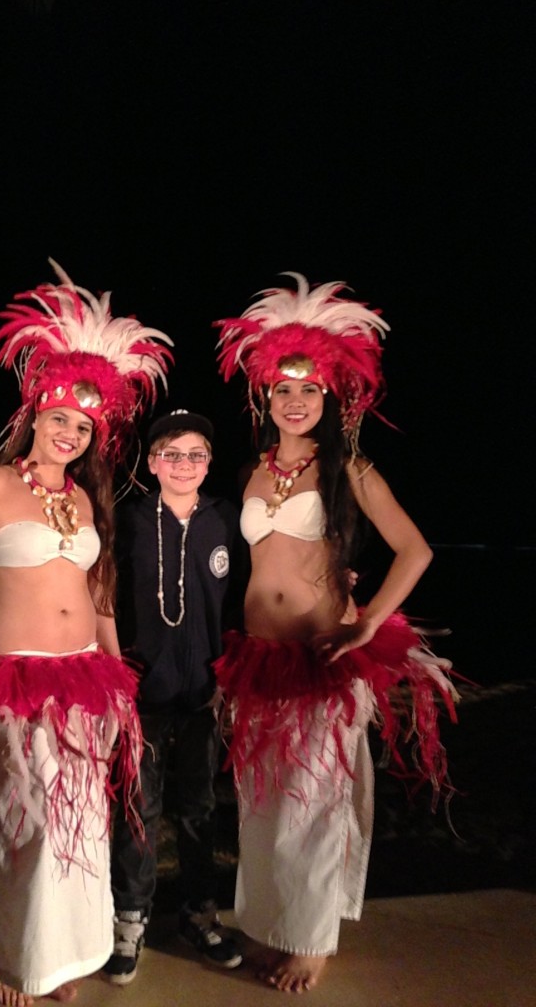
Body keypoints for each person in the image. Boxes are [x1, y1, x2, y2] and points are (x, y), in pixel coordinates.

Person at [0, 261, 172, 1007]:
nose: (69, 432)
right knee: (24, 823)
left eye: (83, 427)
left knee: (79, 826)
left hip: (88, 676)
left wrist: (121, 682)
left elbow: (99, 592)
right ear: (35, 415)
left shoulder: (87, 500)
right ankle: (8, 950)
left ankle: (57, 958)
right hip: (17, 677)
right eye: (59, 419)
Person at [212, 273, 457, 993]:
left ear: (330, 399)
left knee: (315, 805)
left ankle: (311, 938)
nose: (295, 401)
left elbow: (416, 550)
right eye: (284, 390)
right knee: (261, 804)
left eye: (310, 390)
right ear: (264, 396)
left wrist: (369, 621)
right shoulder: (252, 472)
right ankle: (266, 925)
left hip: (321, 655)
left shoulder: (350, 469)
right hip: (258, 657)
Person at [103, 409, 245, 985]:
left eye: (195, 454)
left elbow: (246, 598)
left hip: (204, 697)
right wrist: (115, 675)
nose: (183, 464)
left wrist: (230, 677)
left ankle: (199, 914)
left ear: (209, 462)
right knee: (137, 810)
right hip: (142, 694)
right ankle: (129, 922)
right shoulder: (128, 518)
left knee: (200, 812)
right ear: (152, 461)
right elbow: (101, 595)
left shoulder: (226, 520)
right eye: (171, 453)